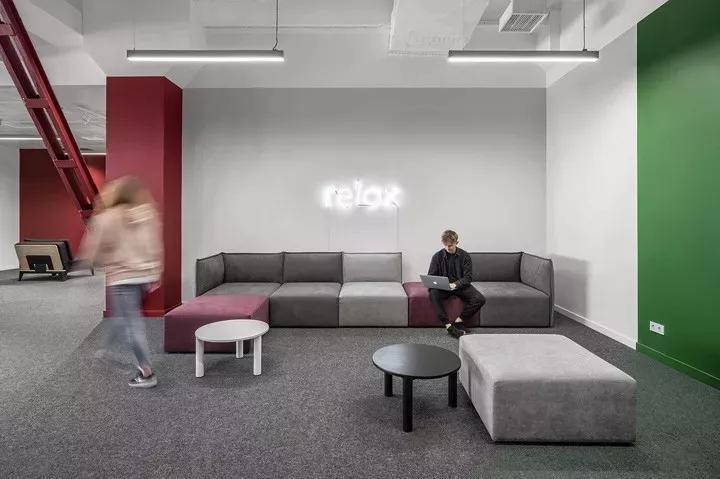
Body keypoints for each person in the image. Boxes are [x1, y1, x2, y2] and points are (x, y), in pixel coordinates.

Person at [80, 176, 163, 388]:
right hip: (144, 276)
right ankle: (106, 351)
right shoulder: (147, 215)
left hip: (122, 277)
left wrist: (97, 260)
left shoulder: (106, 218)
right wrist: (155, 272)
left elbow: (93, 252)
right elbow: (155, 247)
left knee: (131, 324)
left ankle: (146, 372)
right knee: (124, 318)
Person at [427, 230, 486, 339]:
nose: (447, 248)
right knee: (433, 294)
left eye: (450, 245)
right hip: (444, 287)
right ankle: (448, 325)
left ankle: (459, 321)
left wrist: (455, 285)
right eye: (445, 245)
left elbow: (468, 278)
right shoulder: (437, 256)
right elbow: (431, 276)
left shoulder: (465, 256)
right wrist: (440, 284)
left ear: (456, 243)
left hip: (460, 286)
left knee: (480, 299)